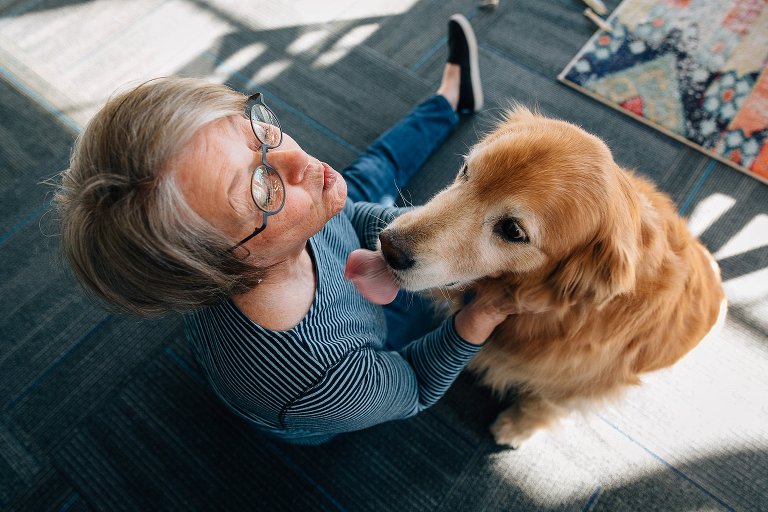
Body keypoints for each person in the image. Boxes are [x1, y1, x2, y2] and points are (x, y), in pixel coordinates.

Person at [56, 14, 507, 445]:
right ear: (224, 263)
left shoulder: (279, 222)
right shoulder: (323, 380)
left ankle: (451, 98)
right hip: (356, 358)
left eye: (257, 132)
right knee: (450, 300)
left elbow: (347, 217)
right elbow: (414, 386)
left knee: (374, 169)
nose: (298, 158)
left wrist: (429, 234)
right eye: (259, 185)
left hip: (320, 233)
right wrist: (479, 315)